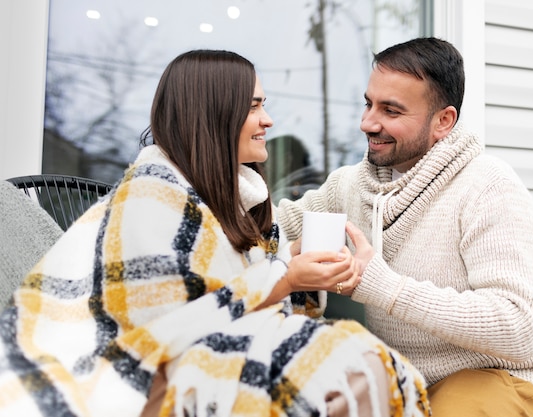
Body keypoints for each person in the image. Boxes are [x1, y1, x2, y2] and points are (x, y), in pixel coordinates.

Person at [0, 50, 430, 417]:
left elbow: (233, 288)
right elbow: (163, 325)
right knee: (355, 366)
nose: (268, 120)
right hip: (127, 373)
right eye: (254, 107)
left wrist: (293, 261)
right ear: (215, 114)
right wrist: (287, 278)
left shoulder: (232, 196)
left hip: (196, 359)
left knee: (358, 358)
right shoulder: (152, 198)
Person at [277, 37, 533, 416]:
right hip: (401, 377)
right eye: (368, 103)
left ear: (443, 121)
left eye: (391, 111)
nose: (368, 122)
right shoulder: (351, 186)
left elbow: (517, 325)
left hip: (497, 376)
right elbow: (269, 227)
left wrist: (382, 286)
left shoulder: (489, 187)